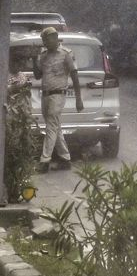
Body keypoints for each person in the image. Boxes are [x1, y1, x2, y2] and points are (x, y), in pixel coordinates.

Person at [34, 27, 83, 172]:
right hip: (45, 95)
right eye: (44, 40)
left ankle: (44, 161)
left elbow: (74, 76)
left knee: (51, 127)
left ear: (55, 38)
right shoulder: (43, 55)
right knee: (55, 127)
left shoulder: (66, 54)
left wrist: (78, 99)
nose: (45, 43)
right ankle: (65, 158)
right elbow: (38, 75)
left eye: (48, 39)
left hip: (58, 94)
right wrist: (33, 59)